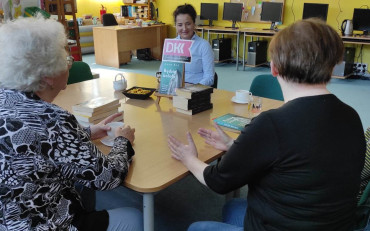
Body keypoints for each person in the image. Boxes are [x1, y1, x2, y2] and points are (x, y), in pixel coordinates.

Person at [167, 19, 366, 231]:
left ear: (274, 68)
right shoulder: (352, 116)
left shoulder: (271, 124)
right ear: (333, 65)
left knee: (196, 228)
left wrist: (189, 159)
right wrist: (236, 146)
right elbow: (301, 159)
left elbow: (217, 182)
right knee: (232, 208)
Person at [0, 16, 143, 231]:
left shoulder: (5, 98)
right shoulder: (52, 120)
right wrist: (123, 141)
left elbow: (41, 145)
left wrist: (86, 132)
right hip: (41, 223)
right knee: (135, 218)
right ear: (48, 75)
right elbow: (109, 178)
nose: (70, 63)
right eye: (66, 60)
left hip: (8, 218)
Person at [160, 4, 215, 86]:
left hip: (196, 92)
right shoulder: (171, 45)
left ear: (194, 23)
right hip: (174, 90)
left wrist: (192, 89)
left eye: (188, 24)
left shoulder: (203, 45)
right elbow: (162, 73)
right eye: (180, 25)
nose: (184, 28)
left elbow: (209, 77)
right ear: (175, 26)